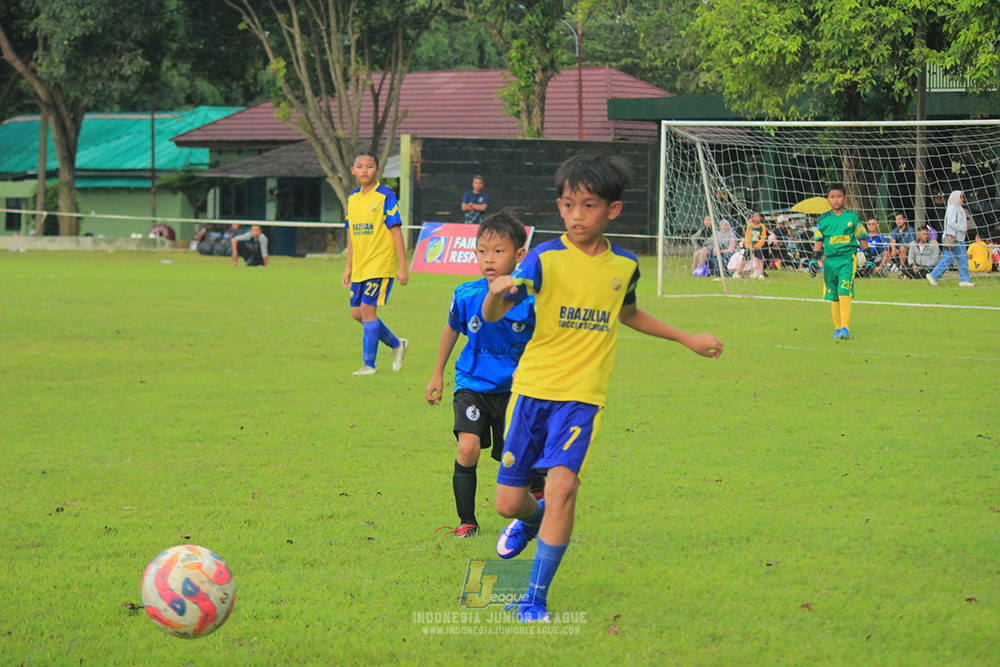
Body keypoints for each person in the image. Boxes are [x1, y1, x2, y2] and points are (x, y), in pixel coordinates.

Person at [481, 154, 723, 623]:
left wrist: (687, 338)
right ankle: (532, 518)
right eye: (568, 204)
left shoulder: (624, 266)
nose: (576, 215)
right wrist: (496, 292)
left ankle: (534, 599)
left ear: (612, 210)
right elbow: (494, 315)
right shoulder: (544, 258)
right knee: (508, 502)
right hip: (532, 392)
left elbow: (628, 314)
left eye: (588, 205)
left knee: (564, 485)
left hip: (582, 398)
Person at [425, 212, 538, 538]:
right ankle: (467, 522)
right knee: (467, 448)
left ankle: (536, 502)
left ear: (519, 255)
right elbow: (452, 330)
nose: (488, 259)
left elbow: (544, 339)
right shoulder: (465, 293)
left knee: (514, 457)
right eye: (482, 251)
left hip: (515, 389)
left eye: (498, 251)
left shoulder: (529, 298)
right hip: (471, 384)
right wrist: (437, 375)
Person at [342, 151, 410, 375]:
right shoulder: (352, 199)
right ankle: (396, 344)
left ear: (377, 170)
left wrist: (402, 266)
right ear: (353, 170)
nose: (364, 170)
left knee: (367, 310)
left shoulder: (385, 195)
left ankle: (369, 365)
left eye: (369, 166)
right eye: (359, 166)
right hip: (360, 266)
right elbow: (352, 235)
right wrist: (348, 266)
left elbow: (396, 230)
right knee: (356, 313)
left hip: (380, 264)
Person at [813, 184, 870, 340]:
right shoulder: (824, 218)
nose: (836, 199)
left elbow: (862, 237)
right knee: (833, 295)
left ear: (845, 198)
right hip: (829, 261)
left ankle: (845, 327)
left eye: (839, 196)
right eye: (832, 197)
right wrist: (814, 259)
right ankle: (837, 329)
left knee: (844, 291)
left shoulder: (852, 217)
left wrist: (869, 258)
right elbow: (819, 239)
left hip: (847, 259)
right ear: (828, 199)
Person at [927, 190, 974, 287]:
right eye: (961, 197)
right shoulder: (952, 208)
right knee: (948, 259)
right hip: (952, 238)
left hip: (960, 239)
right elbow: (951, 223)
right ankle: (933, 276)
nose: (962, 199)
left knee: (963, 259)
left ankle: (965, 280)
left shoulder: (960, 209)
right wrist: (962, 228)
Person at [740, 212, 767, 278]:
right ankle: (739, 272)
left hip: (758, 246)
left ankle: (761, 274)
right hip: (749, 246)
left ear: (760, 218)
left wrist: (756, 246)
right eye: (754, 216)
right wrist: (748, 246)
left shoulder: (762, 227)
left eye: (757, 216)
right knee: (744, 259)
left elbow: (763, 238)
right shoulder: (750, 226)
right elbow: (747, 236)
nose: (756, 218)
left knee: (760, 259)